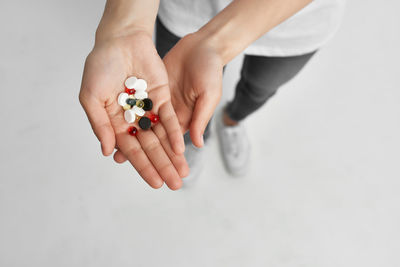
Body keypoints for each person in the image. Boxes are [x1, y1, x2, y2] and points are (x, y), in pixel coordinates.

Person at [79, 0, 345, 190]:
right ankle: (194, 141)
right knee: (180, 103)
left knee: (259, 89)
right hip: (188, 13)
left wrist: (216, 43)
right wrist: (125, 26)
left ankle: (232, 120)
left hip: (298, 21)